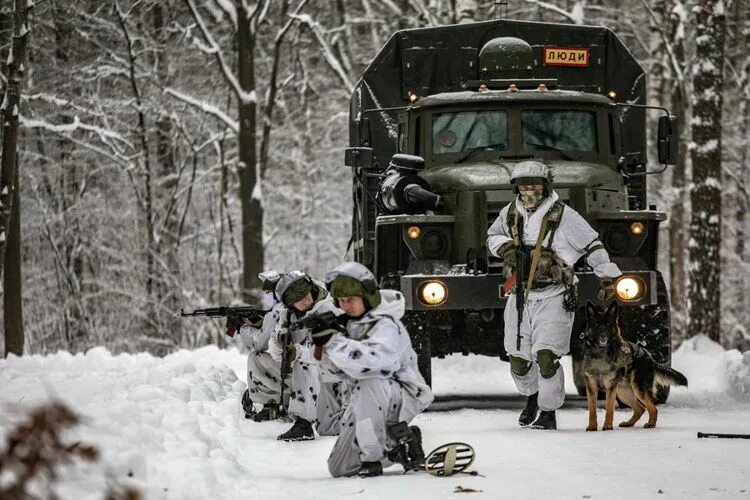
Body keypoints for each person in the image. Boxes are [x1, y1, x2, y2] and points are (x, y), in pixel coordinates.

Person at [487, 160, 622, 430]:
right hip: (519, 295)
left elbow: (591, 244)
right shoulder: (510, 213)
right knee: (518, 359)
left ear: (546, 186)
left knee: (546, 356)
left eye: (535, 184)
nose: (529, 189)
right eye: (524, 185)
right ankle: (533, 397)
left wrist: (605, 276)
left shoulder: (565, 216)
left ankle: (548, 413)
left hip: (554, 295)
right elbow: (493, 236)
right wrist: (505, 249)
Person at [312, 262, 434, 478]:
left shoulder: (388, 325)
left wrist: (335, 342)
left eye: (351, 300)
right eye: (341, 301)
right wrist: (322, 347)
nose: (345, 306)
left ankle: (373, 459)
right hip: (361, 401)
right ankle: (399, 446)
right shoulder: (350, 326)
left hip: (398, 395)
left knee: (369, 381)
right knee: (341, 468)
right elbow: (332, 375)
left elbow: (373, 364)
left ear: (367, 297)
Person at [267, 270, 338, 441]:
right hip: (319, 379)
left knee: (304, 363)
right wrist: (279, 340)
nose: (305, 301)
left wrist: (299, 352)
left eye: (306, 295)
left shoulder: (328, 309)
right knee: (260, 359)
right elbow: (275, 353)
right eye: (298, 301)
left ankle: (304, 422)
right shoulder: (289, 314)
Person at [227, 270, 285, 421]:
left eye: (268, 292)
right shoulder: (286, 307)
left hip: (293, 370)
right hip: (301, 367)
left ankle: (271, 404)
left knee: (256, 357)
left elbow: (260, 344)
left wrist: (241, 327)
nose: (265, 295)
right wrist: (257, 321)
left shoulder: (278, 310)